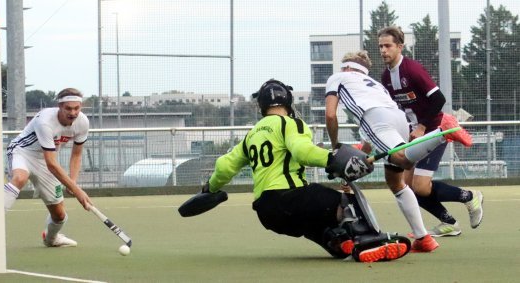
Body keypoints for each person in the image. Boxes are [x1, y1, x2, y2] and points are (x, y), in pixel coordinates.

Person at [199, 79, 411, 263]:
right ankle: (368, 241)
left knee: (314, 222)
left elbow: (224, 166)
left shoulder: (251, 135)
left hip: (266, 212)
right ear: (288, 101)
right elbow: (302, 152)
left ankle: (339, 241)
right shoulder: (290, 123)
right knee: (345, 203)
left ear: (261, 106)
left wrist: (211, 187)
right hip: (289, 197)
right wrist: (332, 159)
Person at [324, 50, 467, 252]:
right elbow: (372, 135)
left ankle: (442, 133)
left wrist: (335, 146)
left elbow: (330, 115)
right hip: (398, 118)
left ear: (347, 67)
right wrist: (364, 151)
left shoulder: (338, 77)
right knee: (396, 182)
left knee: (403, 160)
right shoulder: (374, 85)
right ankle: (423, 238)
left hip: (376, 119)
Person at [378, 26, 483, 237]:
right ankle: (449, 223)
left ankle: (469, 196)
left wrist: (422, 126)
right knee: (405, 186)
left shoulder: (412, 70)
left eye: (387, 46)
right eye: (380, 46)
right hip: (412, 134)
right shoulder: (386, 78)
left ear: (399, 46)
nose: (383, 50)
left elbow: (439, 99)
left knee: (420, 186)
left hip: (435, 131)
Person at [3, 88, 93, 247]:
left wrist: (73, 181)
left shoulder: (83, 122)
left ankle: (51, 239)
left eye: (76, 108)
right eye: (68, 108)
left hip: (45, 162)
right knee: (20, 178)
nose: (73, 112)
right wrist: (77, 190)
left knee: (59, 215)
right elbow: (52, 163)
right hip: (22, 152)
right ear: (60, 106)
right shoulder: (45, 120)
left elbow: (77, 154)